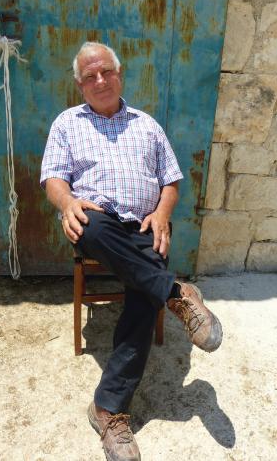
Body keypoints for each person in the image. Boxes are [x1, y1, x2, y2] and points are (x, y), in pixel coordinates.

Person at [40, 41, 222, 461]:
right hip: (96, 223)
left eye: (106, 71)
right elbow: (53, 178)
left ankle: (107, 409)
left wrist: (161, 213)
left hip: (143, 227)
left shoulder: (147, 125)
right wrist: (67, 203)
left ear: (119, 74)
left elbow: (171, 181)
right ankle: (176, 294)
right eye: (90, 76)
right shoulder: (67, 123)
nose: (99, 80)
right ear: (79, 84)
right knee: (95, 223)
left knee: (143, 286)